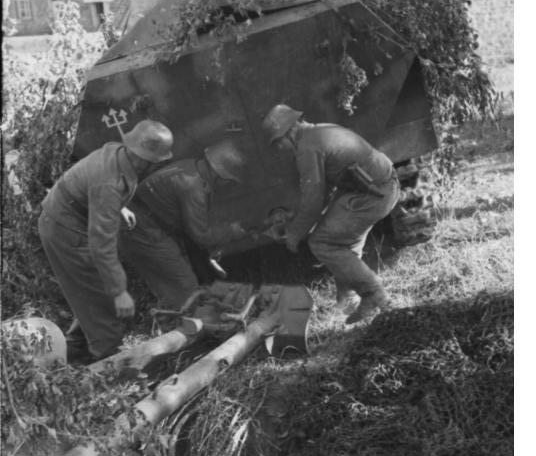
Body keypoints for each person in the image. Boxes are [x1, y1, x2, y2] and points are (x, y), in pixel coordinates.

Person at [38, 119, 174, 362]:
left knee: (91, 290)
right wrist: (119, 291)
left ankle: (77, 348)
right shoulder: (109, 185)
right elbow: (102, 246)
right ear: (143, 159)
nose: (155, 167)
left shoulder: (118, 153)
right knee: (101, 297)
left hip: (69, 218)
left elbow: (97, 188)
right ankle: (108, 363)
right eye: (155, 162)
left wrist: (120, 208)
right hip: (64, 229)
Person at [262, 104, 400, 323]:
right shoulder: (320, 131)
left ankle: (373, 293)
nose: (281, 149)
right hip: (377, 188)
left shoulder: (307, 148)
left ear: (288, 133)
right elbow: (322, 192)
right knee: (341, 241)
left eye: (279, 143)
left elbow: (314, 201)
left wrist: (294, 234)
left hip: (373, 195)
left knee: (322, 242)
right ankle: (348, 300)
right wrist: (295, 217)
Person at [120, 138, 248, 311]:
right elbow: (201, 234)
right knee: (184, 283)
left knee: (171, 282)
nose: (228, 185)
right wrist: (231, 231)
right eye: (229, 180)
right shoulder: (193, 186)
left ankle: (173, 322)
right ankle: (188, 328)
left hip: (142, 225)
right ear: (220, 174)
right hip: (143, 229)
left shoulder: (191, 167)